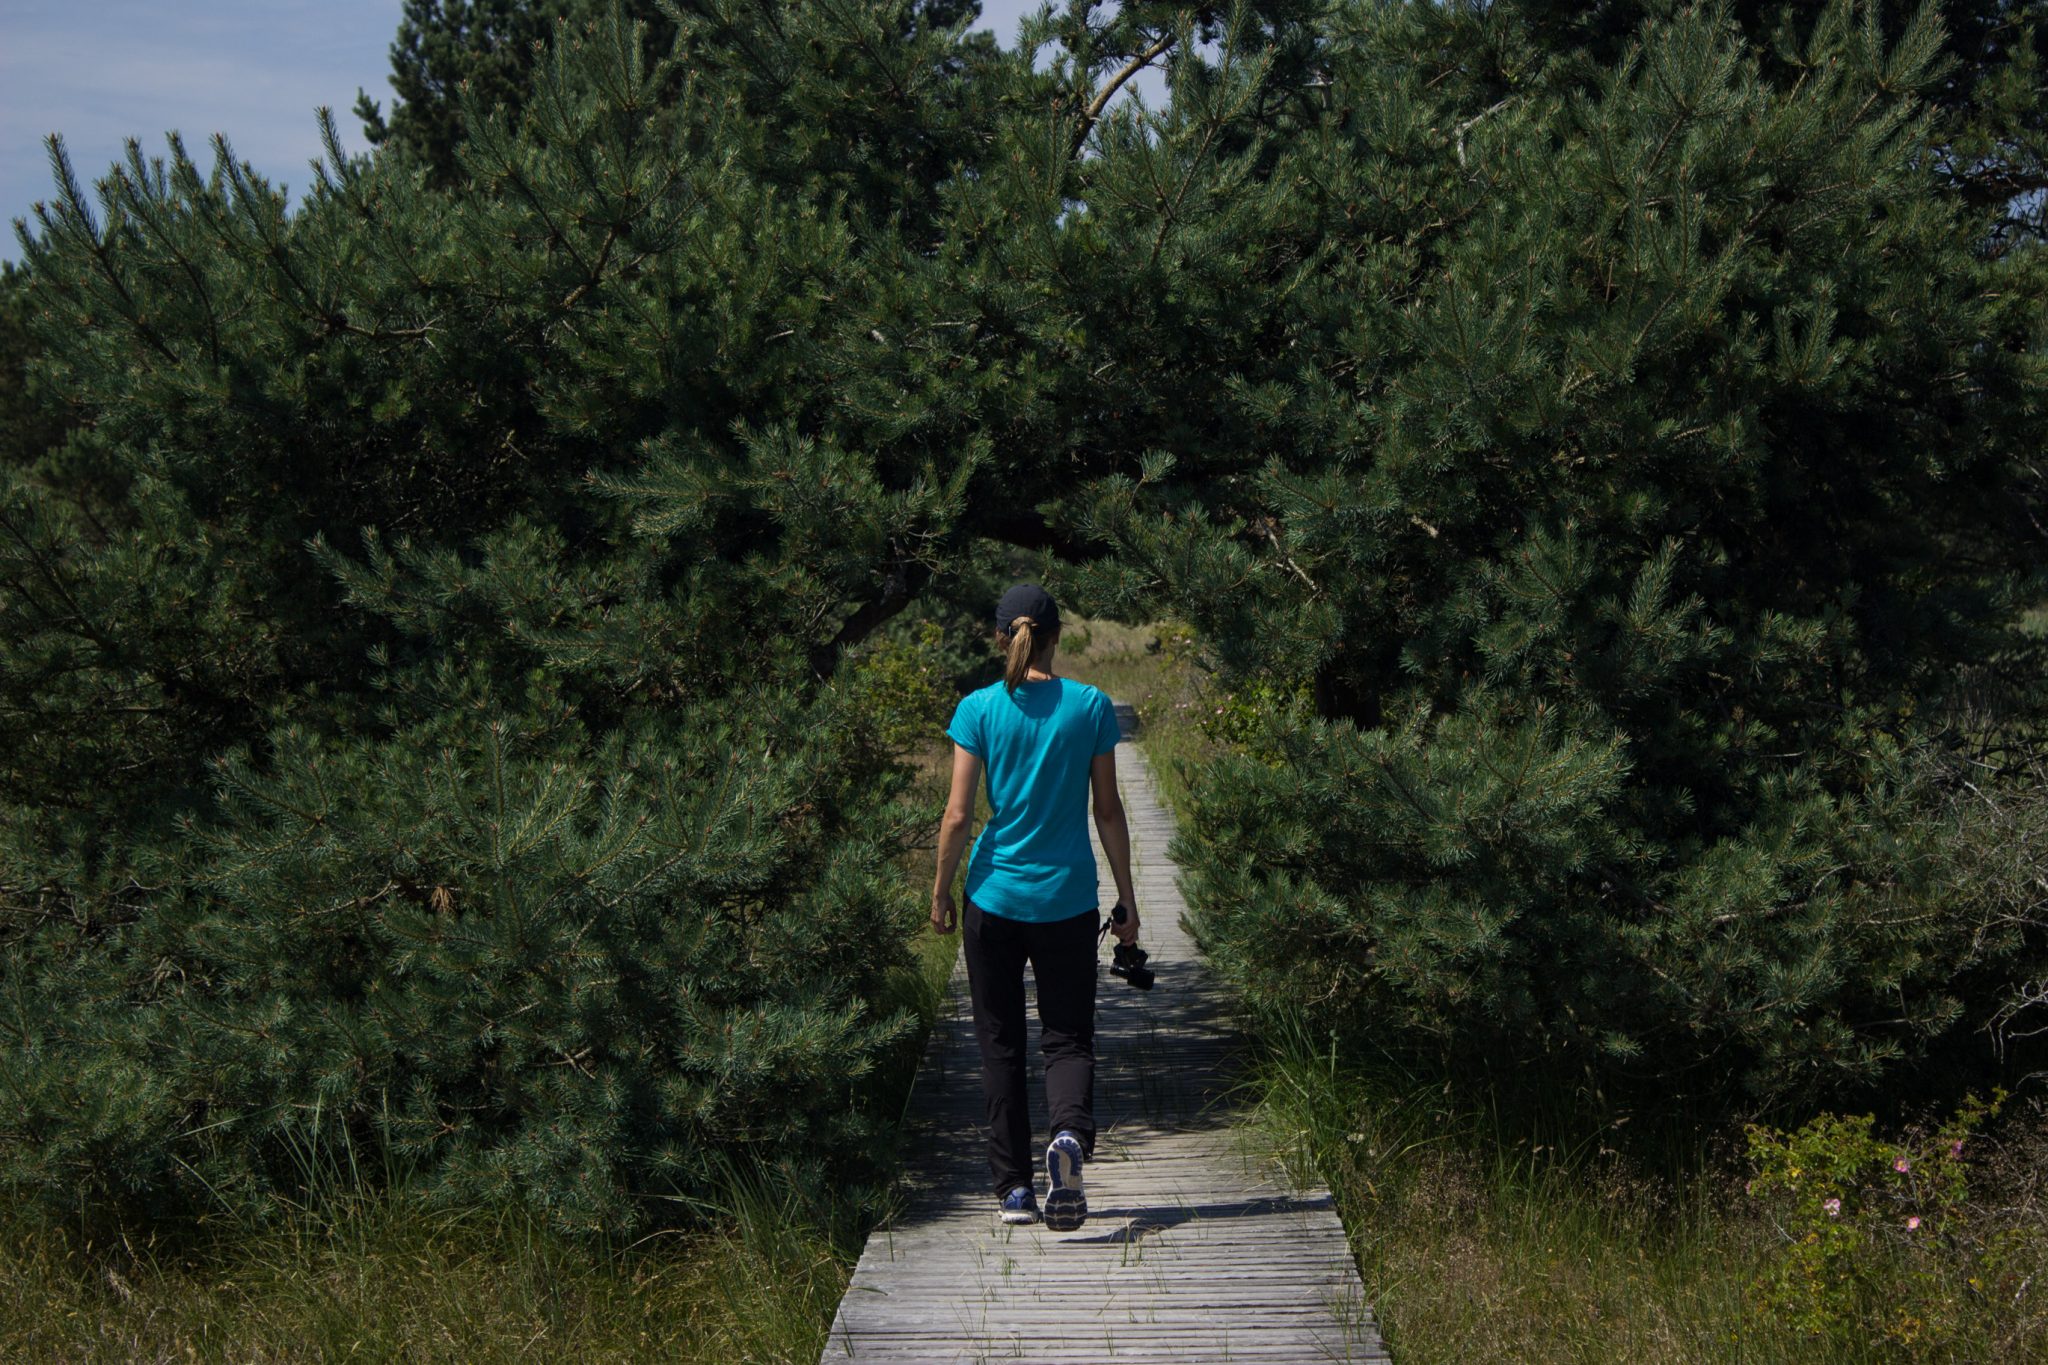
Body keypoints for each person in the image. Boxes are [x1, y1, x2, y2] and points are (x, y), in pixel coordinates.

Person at [930, 583, 1141, 1231]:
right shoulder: (1089, 705)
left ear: (1001, 638)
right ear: (1058, 636)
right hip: (1067, 899)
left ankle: (1015, 1189)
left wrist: (940, 889)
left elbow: (960, 813)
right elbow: (1107, 808)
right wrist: (1127, 900)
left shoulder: (979, 708)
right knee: (1068, 1036)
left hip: (992, 897)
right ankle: (1069, 1139)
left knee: (999, 1043)